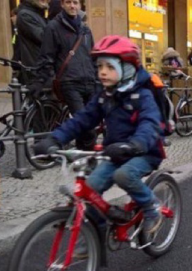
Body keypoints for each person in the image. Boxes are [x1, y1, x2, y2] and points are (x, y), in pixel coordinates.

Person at [33, 36, 165, 234]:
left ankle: (152, 208)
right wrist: (55, 138)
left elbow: (150, 123)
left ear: (127, 68)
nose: (102, 72)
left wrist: (136, 144)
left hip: (144, 152)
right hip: (114, 152)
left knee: (124, 175)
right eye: (100, 66)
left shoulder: (143, 96)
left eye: (110, 67)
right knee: (90, 188)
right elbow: (82, 119)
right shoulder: (105, 96)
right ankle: (96, 234)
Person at [30, 0, 97, 148]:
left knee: (91, 124)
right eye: (68, 2)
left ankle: (84, 158)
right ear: (62, 4)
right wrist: (39, 80)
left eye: (75, 2)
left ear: (80, 5)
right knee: (84, 123)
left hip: (89, 81)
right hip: (70, 82)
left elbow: (93, 56)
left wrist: (97, 79)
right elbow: (46, 57)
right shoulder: (53, 27)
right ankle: (85, 155)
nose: (72, 6)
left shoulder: (85, 29)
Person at [16, 0, 49, 84]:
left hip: (44, 71)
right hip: (38, 72)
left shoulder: (39, 15)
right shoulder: (25, 15)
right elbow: (45, 38)